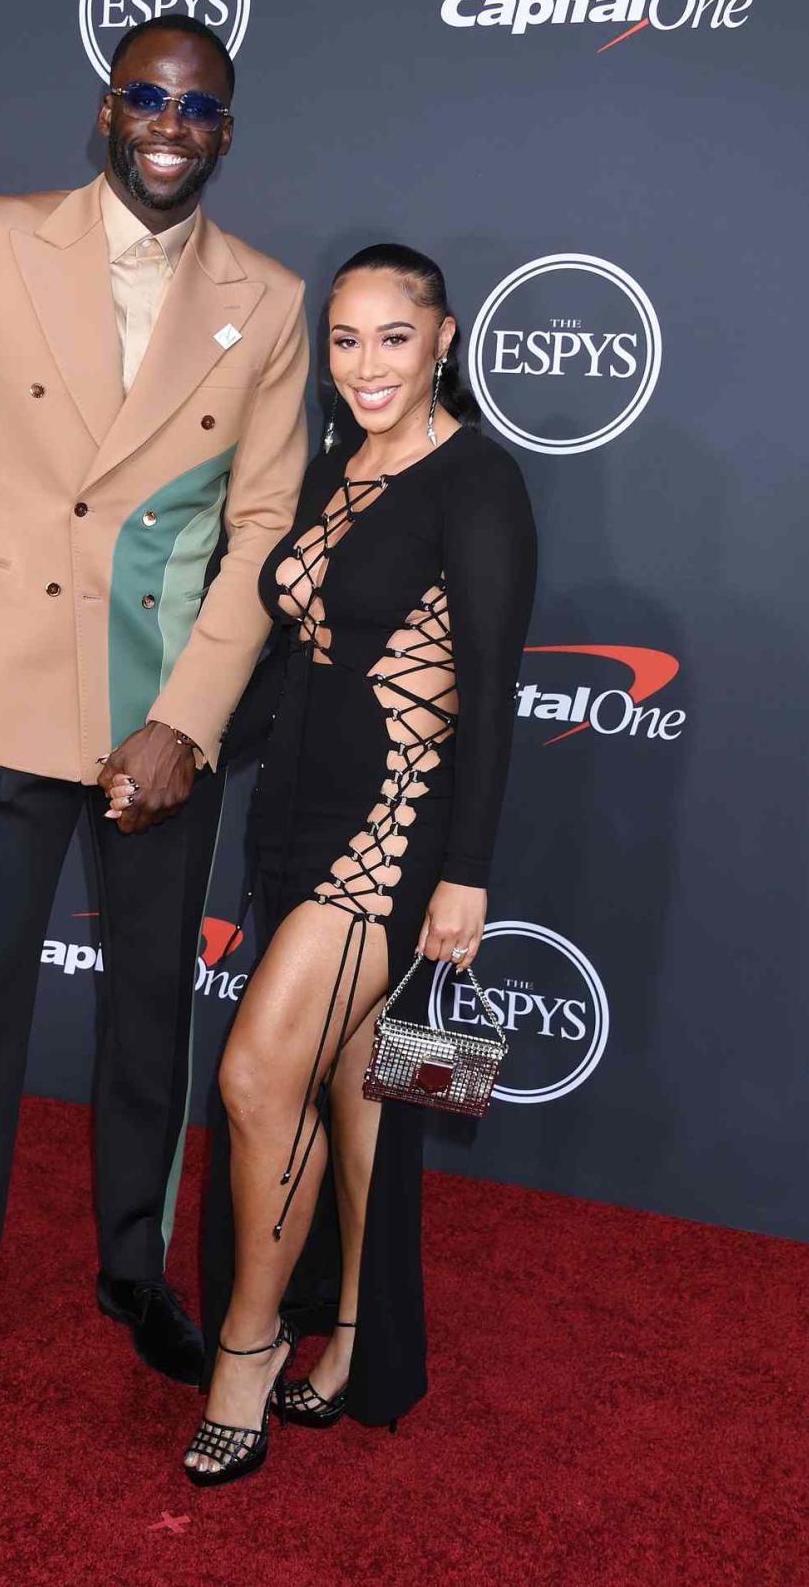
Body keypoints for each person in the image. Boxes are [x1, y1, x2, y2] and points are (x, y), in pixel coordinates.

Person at [0, 14, 309, 1441]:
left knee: (147, 1016)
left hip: (151, 721)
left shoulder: (271, 301)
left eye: (200, 108)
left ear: (225, 132)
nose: (170, 124)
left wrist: (183, 719)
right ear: (104, 109)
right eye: (147, 97)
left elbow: (261, 534)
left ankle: (133, 1272)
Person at [141, 242, 537, 1483]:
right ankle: (362, 1338)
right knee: (363, 1091)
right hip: (298, 820)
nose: (366, 365)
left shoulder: (478, 482)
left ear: (446, 339)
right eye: (346, 340)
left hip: (398, 833)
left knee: (261, 1078)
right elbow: (301, 655)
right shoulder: (337, 461)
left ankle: (248, 1347)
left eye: (394, 338)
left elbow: (489, 688)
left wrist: (466, 873)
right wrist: (188, 741)